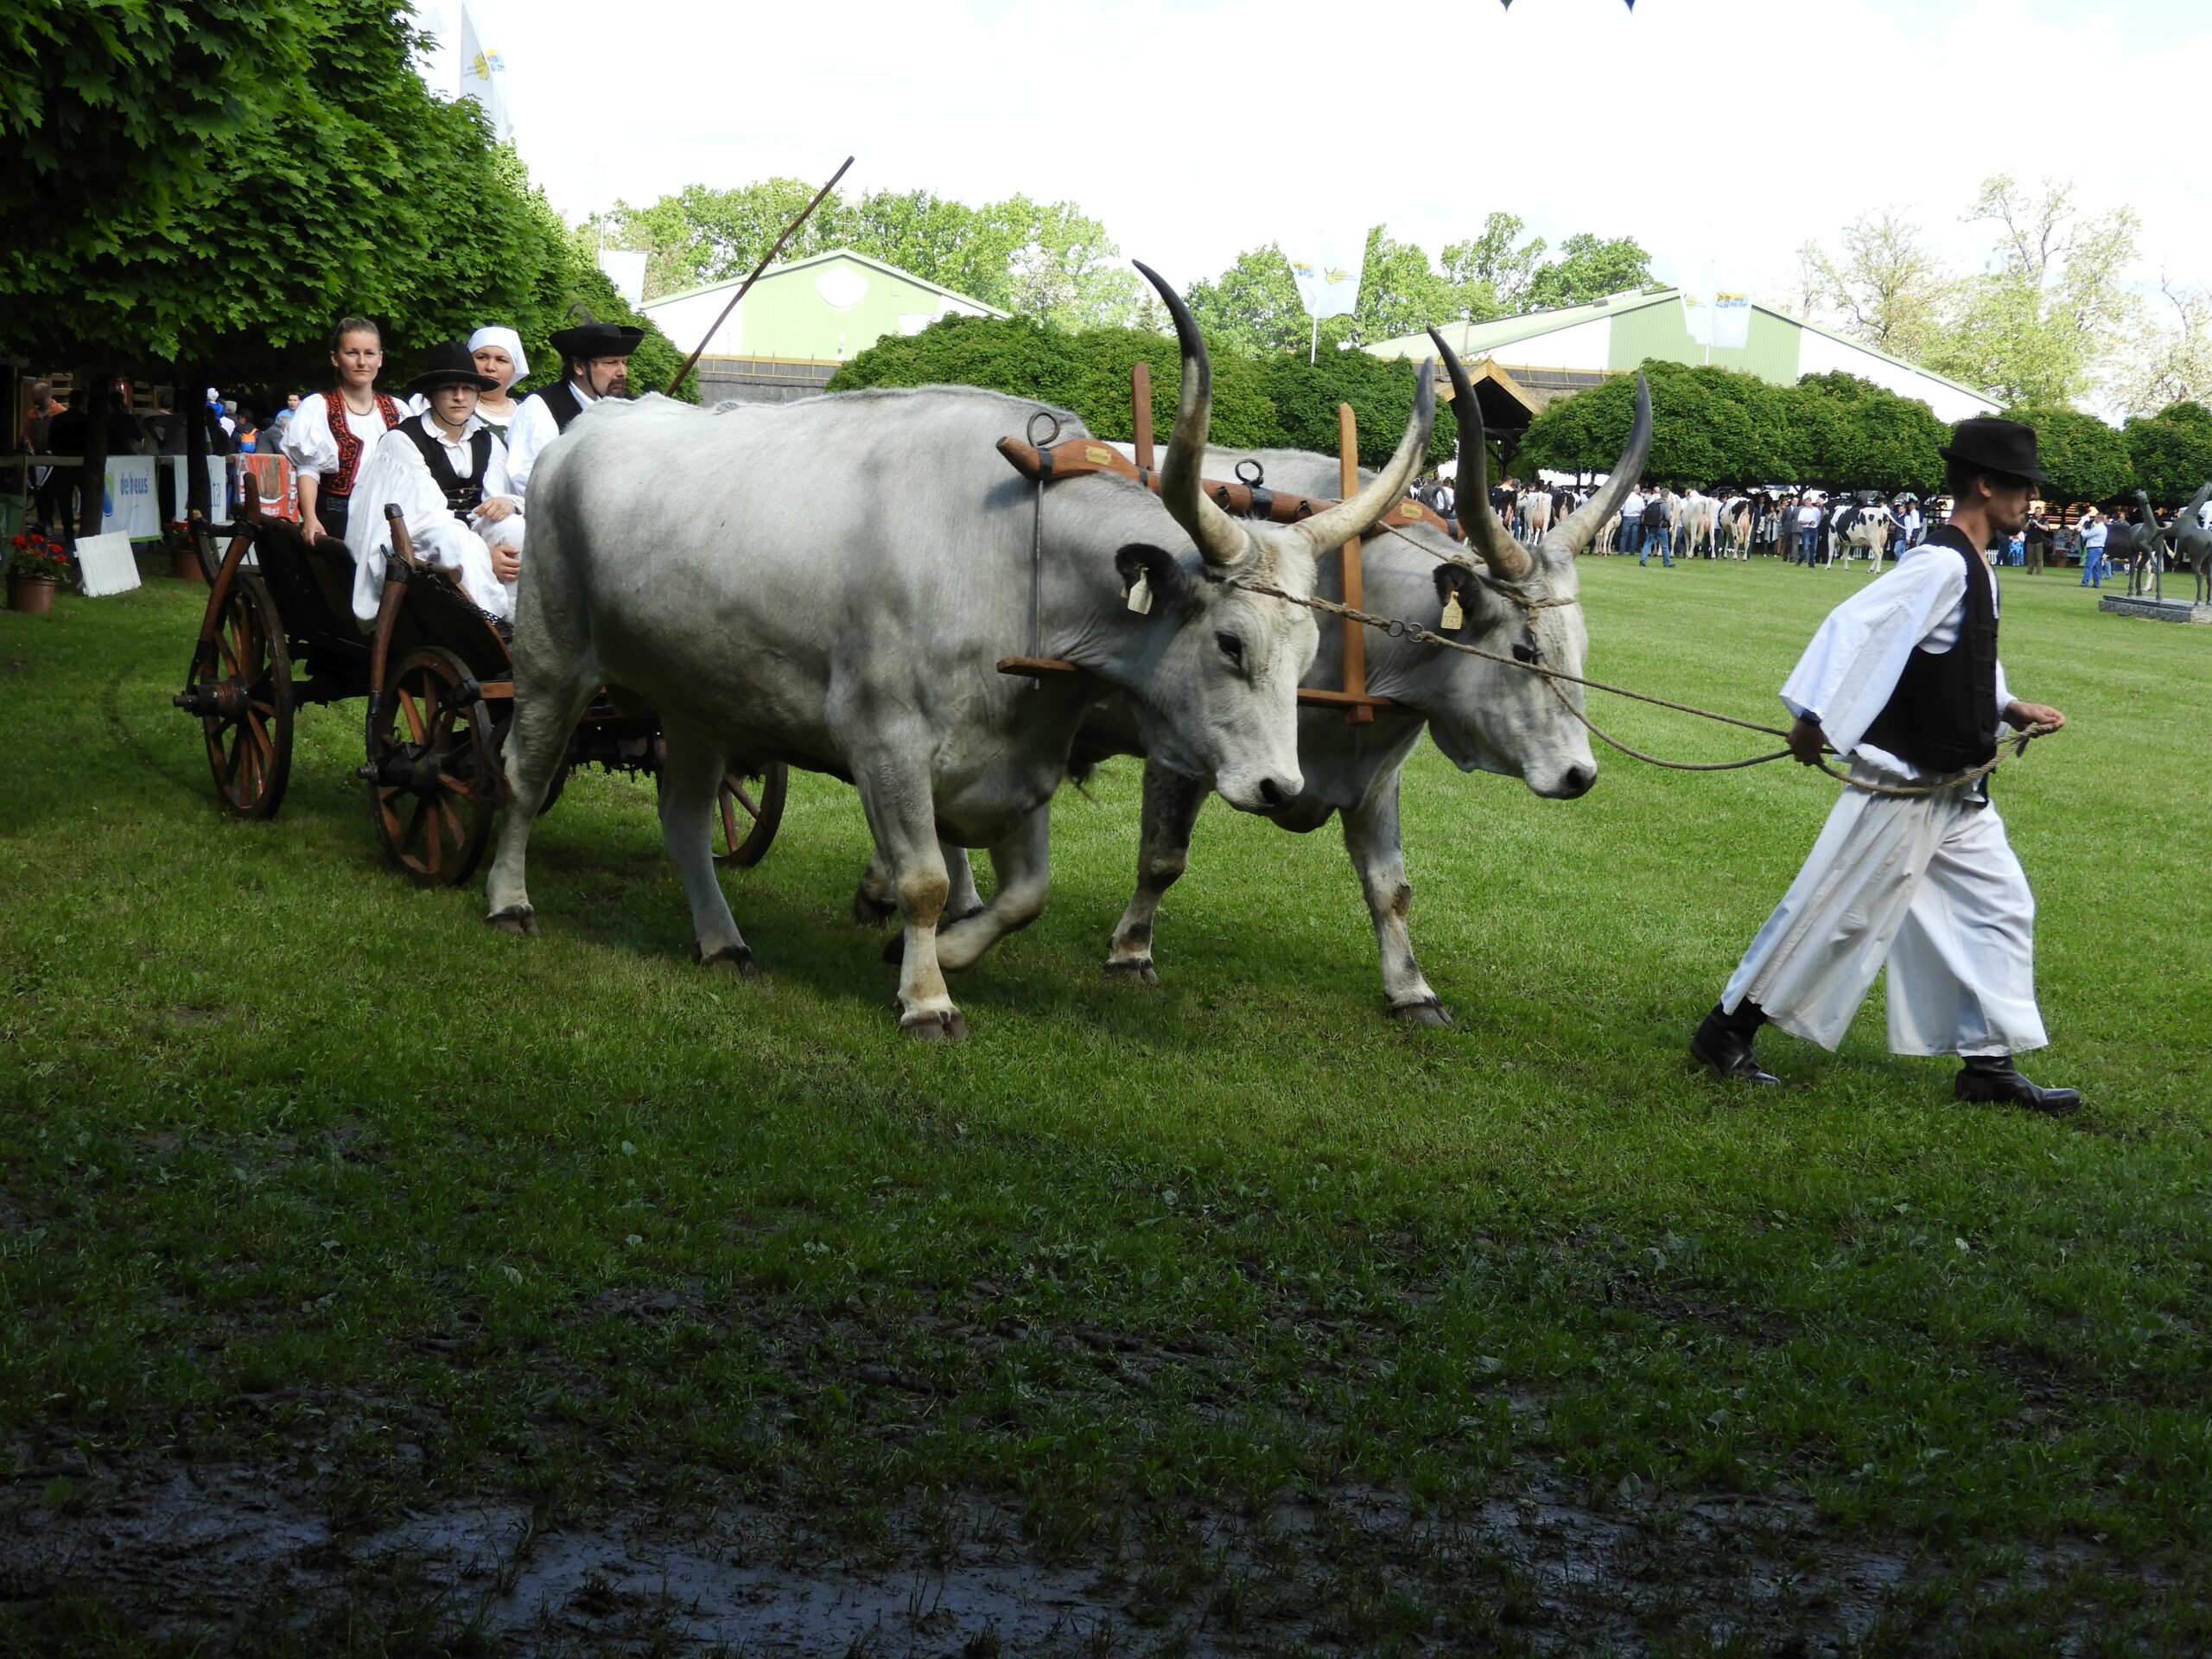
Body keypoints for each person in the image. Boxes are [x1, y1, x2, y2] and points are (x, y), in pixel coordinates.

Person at [1689, 416, 2077, 1114]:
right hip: (1908, 779)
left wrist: (2008, 705)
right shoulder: (1939, 563)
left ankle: (1987, 1067)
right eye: (2023, 488)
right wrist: (1814, 720)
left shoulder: (1978, 567)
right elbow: (1856, 630)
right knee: (1841, 909)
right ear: (1987, 486)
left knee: (2000, 907)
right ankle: (1725, 1033)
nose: (2031, 502)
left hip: (1957, 788)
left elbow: (1961, 658)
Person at [348, 340, 525, 624]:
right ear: (431, 395)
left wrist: (506, 503)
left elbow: (498, 500)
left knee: (515, 527)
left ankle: (517, 627)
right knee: (452, 539)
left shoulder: (487, 442)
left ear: (478, 394)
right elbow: (427, 517)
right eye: (449, 388)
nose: (459, 397)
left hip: (464, 536)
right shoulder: (403, 441)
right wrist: (484, 556)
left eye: (467, 389)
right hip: (414, 540)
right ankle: (487, 628)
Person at [283, 316, 406, 545]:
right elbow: (308, 469)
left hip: (387, 520)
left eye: (369, 353)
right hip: (337, 518)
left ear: (380, 359)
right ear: (335, 358)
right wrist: (310, 518)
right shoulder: (320, 407)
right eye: (352, 353)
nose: (362, 362)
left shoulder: (397, 410)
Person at [503, 318, 642, 497]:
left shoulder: (632, 407)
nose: (622, 371)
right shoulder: (541, 407)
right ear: (579, 367)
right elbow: (528, 478)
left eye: (623, 362)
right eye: (610, 363)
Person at [467, 326, 529, 434]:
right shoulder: (458, 407)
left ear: (514, 368)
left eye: (501, 360)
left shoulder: (526, 411)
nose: (490, 367)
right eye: (482, 357)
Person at [1638, 490, 1671, 566]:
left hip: (1651, 526)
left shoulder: (1653, 503)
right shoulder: (1665, 504)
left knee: (1647, 543)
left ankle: (1642, 560)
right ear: (1667, 496)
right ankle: (1666, 563)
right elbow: (1667, 517)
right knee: (1665, 546)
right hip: (1660, 527)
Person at [2077, 509, 2107, 588]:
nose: (2094, 519)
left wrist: (2082, 530)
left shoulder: (2098, 528)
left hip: (2094, 548)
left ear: (2098, 518)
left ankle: (2085, 582)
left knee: (2088, 566)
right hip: (2099, 548)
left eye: (2095, 518)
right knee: (2096, 567)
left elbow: (2087, 535)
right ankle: (2096, 583)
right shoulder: (2103, 528)